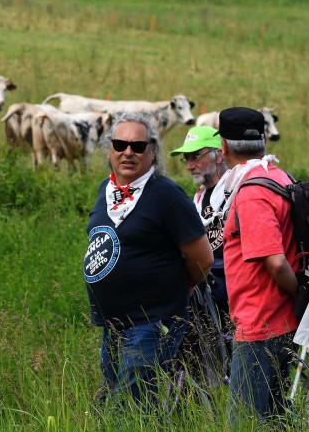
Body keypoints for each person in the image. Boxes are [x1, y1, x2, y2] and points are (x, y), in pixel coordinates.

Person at [83, 113, 213, 407]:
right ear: (109, 149)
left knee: (131, 408)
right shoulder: (106, 190)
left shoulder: (166, 196)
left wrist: (176, 288)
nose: (128, 152)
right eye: (120, 144)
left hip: (151, 321)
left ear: (152, 152)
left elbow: (203, 258)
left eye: (137, 146)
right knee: (119, 398)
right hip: (112, 323)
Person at [219, 106, 298, 423]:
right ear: (264, 139)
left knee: (242, 424)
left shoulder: (251, 193)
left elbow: (276, 263)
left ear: (223, 147)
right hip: (280, 321)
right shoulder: (278, 176)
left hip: (260, 324)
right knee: (275, 421)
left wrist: (299, 295)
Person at [170, 125, 231, 312]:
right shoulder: (198, 198)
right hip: (211, 294)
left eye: (196, 156)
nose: (189, 166)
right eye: (186, 159)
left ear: (219, 155)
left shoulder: (237, 190)